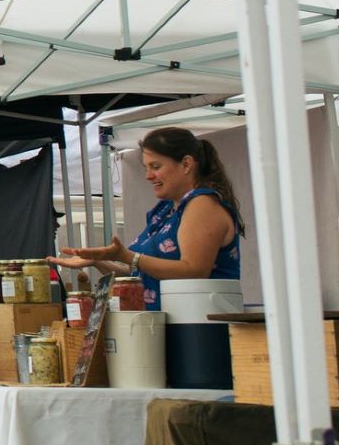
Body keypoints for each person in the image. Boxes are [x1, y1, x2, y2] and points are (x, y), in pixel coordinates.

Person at [59, 126, 243, 308]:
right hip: (167, 325)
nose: (148, 176)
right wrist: (99, 261)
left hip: (198, 327)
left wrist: (128, 256)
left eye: (156, 166)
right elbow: (140, 274)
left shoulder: (203, 204)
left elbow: (194, 270)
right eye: (146, 168)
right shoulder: (166, 209)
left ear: (186, 164)